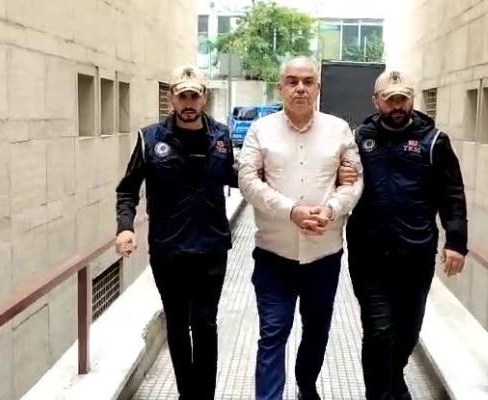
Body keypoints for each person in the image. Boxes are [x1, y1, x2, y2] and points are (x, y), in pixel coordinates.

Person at [238, 56, 364, 400]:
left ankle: (306, 386)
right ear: (280, 87)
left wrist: (331, 209)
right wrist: (291, 211)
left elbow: (354, 181)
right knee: (272, 334)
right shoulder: (261, 130)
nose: (300, 88)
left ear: (318, 88)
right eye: (292, 81)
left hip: (324, 256)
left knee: (317, 331)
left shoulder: (339, 130)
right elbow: (248, 181)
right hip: (273, 256)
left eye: (308, 81)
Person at [114, 64, 237, 400]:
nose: (188, 102)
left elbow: (237, 177)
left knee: (205, 323)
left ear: (203, 98)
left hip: (211, 247)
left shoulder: (222, 136)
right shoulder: (150, 138)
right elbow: (127, 189)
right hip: (168, 250)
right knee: (178, 325)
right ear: (172, 97)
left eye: (194, 96)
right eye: (183, 96)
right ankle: (187, 394)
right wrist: (125, 227)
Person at [346, 70, 468, 400]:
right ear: (376, 101)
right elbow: (340, 183)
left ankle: (394, 384)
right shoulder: (359, 139)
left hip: (416, 255)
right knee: (379, 331)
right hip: (369, 254)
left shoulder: (434, 141)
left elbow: (452, 194)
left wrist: (456, 242)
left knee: (407, 334)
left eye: (403, 99)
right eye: (390, 100)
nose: (397, 106)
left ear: (412, 99)